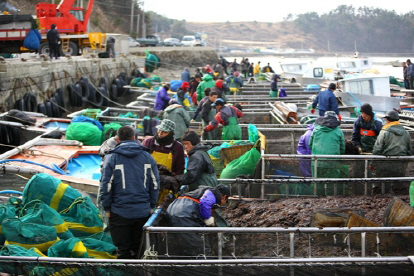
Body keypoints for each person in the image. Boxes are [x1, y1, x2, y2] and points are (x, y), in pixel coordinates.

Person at [100, 126, 159, 259]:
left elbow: (106, 186)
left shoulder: (111, 158)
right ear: (134, 138)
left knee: (123, 250)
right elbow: (155, 184)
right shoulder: (148, 157)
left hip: (119, 212)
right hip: (143, 211)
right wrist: (151, 205)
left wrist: (107, 208)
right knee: (140, 248)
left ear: (118, 139)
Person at [164, 184, 230, 256]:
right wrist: (208, 218)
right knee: (202, 248)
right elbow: (205, 202)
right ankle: (203, 265)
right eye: (225, 201)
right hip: (185, 213)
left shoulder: (200, 192)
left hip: (173, 209)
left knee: (182, 245)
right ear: (224, 197)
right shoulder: (213, 193)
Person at [372, 110, 411, 191]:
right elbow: (409, 150)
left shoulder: (384, 132)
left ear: (388, 120)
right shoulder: (406, 133)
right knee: (397, 186)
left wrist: (373, 163)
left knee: (382, 186)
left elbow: (377, 149)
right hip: (400, 164)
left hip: (385, 164)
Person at [309, 111, 345, 195]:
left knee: (317, 182)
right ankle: (330, 200)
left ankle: (317, 199)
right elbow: (342, 148)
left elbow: (310, 144)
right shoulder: (338, 131)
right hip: (333, 162)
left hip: (317, 161)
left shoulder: (316, 130)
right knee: (332, 184)